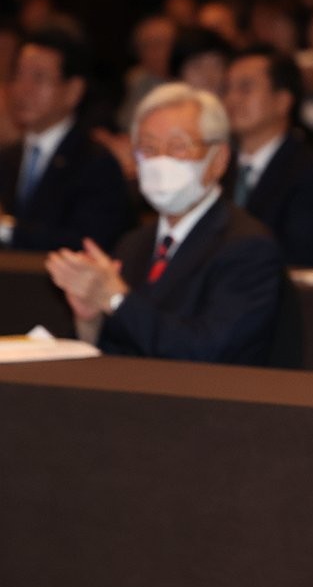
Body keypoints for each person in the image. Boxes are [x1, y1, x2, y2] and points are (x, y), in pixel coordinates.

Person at [45, 83, 288, 365]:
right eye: (148, 148)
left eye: (178, 147)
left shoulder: (247, 247)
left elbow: (208, 350)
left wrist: (116, 299)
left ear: (218, 160)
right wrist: (90, 320)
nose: (161, 160)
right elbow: (116, 352)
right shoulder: (133, 244)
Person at [222, 46, 313, 267]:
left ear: (282, 101)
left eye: (245, 89)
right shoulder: (217, 168)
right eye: (226, 89)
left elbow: (302, 259)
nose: (231, 99)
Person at [0, 29, 130, 251]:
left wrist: (7, 229)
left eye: (38, 77)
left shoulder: (95, 162)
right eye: (18, 75)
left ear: (73, 90)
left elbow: (87, 243)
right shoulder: (7, 156)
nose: (24, 89)